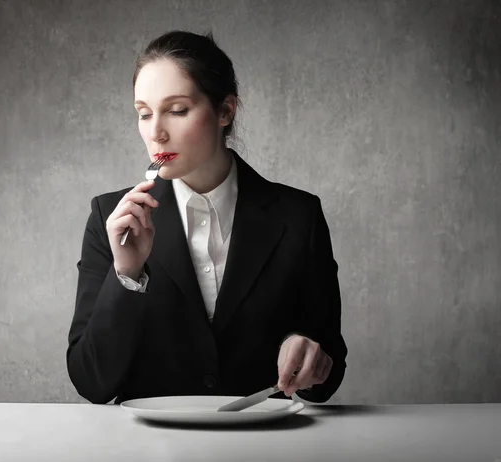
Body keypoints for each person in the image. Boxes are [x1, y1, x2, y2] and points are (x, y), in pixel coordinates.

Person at [66, 30, 347, 405]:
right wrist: (127, 276)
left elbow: (329, 374)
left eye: (177, 110)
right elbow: (91, 383)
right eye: (144, 113)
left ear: (225, 111)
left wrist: (311, 356)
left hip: (264, 445)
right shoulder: (111, 218)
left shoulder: (299, 216)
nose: (156, 132)